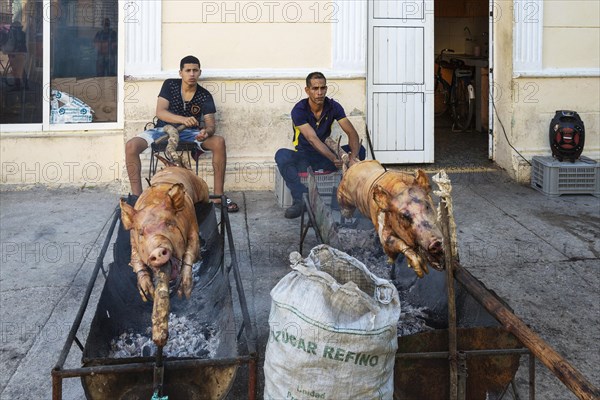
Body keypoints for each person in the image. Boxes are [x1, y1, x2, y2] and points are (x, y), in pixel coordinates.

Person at [125, 55, 239, 212]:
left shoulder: (204, 95)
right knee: (131, 146)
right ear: (181, 73)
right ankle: (136, 198)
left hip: (190, 133)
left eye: (195, 70)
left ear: (199, 72)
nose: (191, 74)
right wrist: (183, 119)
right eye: (188, 70)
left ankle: (218, 196)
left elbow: (211, 125)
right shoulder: (170, 85)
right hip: (162, 130)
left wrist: (206, 132)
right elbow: (160, 112)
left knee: (219, 142)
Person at [275, 72, 366, 219]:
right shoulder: (299, 110)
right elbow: (312, 139)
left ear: (326, 89)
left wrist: (353, 156)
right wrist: (332, 157)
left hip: (325, 157)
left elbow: (351, 132)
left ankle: (342, 197)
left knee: (361, 150)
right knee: (282, 155)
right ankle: (300, 200)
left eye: (322, 88)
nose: (319, 92)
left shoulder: (333, 106)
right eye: (315, 88)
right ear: (307, 90)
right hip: (305, 157)